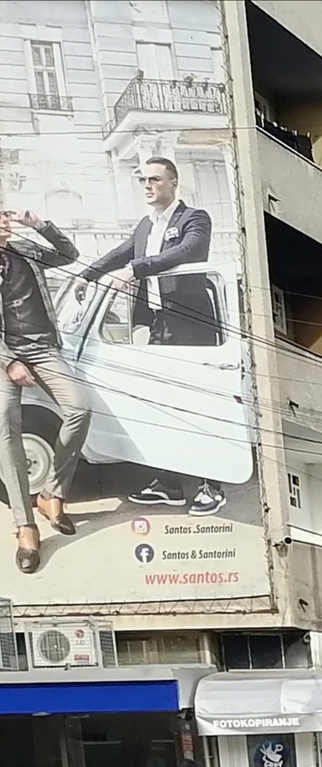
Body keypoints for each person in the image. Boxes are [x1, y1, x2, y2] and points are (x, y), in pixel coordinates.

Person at [79, 157, 222, 514]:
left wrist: (134, 270)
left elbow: (185, 252)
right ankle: (170, 484)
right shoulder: (145, 226)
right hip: (159, 325)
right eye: (144, 179)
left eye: (155, 179)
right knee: (163, 404)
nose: (148, 185)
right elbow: (121, 253)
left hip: (192, 323)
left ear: (173, 183)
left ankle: (211, 485)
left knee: (198, 404)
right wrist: (86, 275)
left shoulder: (194, 219)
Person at [0, 201, 88, 576]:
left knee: (79, 408)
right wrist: (9, 363)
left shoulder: (24, 248)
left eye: (5, 214)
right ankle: (25, 526)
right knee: (6, 431)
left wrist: (40, 225)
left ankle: (51, 492)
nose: (5, 220)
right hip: (4, 355)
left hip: (43, 348)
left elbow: (69, 255)